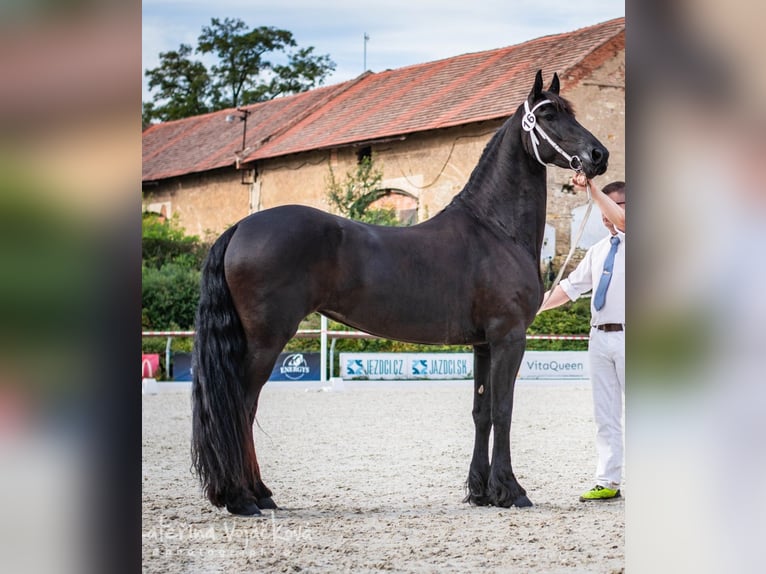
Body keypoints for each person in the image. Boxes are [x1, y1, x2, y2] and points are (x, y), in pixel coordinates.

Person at [538, 174, 626, 501]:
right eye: (601, 206)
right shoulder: (598, 250)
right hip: (600, 338)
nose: (605, 213)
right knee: (605, 413)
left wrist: (592, 188)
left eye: (613, 205)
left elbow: (625, 221)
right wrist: (533, 308)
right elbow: (570, 288)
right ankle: (608, 480)